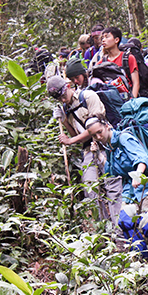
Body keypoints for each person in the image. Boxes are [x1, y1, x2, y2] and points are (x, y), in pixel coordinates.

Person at [47, 75, 111, 220]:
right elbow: (76, 134)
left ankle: (119, 228)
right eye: (58, 99)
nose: (63, 100)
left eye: (63, 96)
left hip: (105, 145)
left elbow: (94, 129)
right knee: (90, 187)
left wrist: (70, 141)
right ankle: (103, 227)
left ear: (68, 86)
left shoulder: (88, 97)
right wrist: (64, 121)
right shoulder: (66, 107)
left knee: (112, 185)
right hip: (88, 149)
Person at [85, 117, 148, 221]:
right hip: (130, 191)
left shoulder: (124, 138)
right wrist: (98, 154)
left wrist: (138, 175)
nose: (98, 137)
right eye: (94, 135)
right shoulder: (110, 147)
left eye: (100, 132)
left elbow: (142, 158)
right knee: (125, 222)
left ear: (107, 126)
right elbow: (111, 171)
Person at [99, 26, 142, 98]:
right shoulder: (101, 63)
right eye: (102, 38)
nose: (103, 40)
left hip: (127, 98)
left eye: (107, 37)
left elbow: (136, 83)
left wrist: (132, 101)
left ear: (116, 40)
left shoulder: (128, 58)